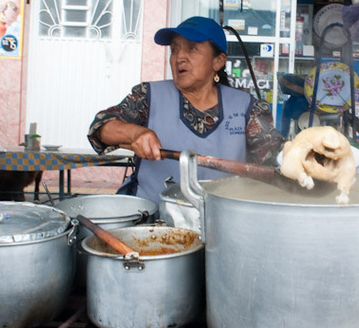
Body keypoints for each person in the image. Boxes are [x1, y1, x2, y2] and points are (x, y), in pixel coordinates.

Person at [88, 16, 284, 204]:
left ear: (218, 61)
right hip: (152, 225)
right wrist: (135, 133)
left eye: (192, 49)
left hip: (222, 222)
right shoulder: (148, 96)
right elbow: (101, 127)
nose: (179, 57)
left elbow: (276, 156)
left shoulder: (246, 108)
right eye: (174, 50)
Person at [277, 72, 311, 137]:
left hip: (301, 110)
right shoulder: (295, 100)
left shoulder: (297, 100)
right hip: (301, 111)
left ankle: (285, 137)